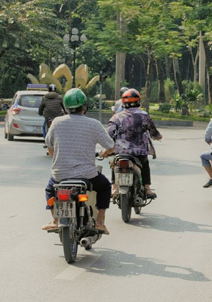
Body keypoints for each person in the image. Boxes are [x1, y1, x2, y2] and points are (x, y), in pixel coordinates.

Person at [42, 88, 115, 234]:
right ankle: (100, 222)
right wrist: (105, 153)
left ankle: (55, 220)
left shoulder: (56, 123)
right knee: (106, 186)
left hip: (60, 176)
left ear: (65, 107)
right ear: (84, 106)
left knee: (50, 189)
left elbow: (50, 149)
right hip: (87, 175)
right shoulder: (93, 124)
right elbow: (111, 146)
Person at [108, 88, 162, 199]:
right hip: (139, 152)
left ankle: (114, 188)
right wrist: (158, 136)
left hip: (121, 152)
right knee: (145, 164)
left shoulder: (116, 117)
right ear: (138, 101)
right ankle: (147, 189)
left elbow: (110, 133)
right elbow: (152, 130)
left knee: (115, 164)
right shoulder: (144, 115)